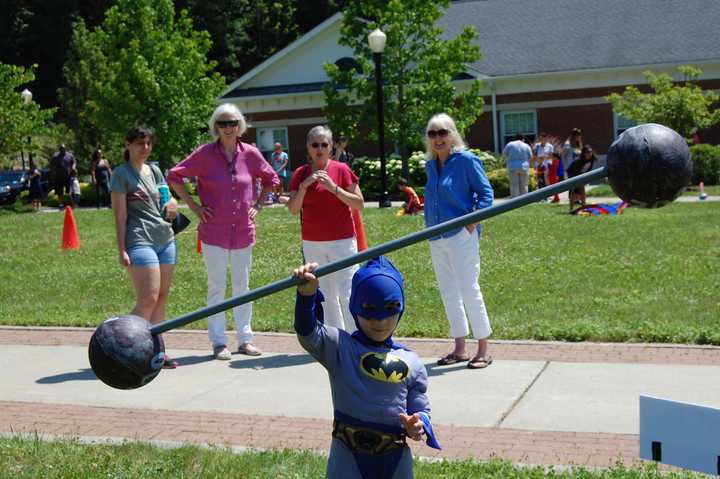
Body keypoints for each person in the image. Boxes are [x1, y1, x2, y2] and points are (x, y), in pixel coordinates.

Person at [293, 256, 441, 479]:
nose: (380, 322)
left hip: (394, 457)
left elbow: (420, 409)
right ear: (355, 307)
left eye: (390, 309)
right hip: (347, 454)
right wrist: (307, 296)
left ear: (401, 308)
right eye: (369, 310)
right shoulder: (340, 348)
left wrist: (418, 424)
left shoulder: (411, 362)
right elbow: (308, 332)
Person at [168, 103, 279, 361]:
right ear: (215, 127)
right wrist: (193, 205)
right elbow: (174, 175)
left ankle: (245, 339)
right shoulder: (205, 154)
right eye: (223, 123)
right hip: (213, 231)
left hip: (243, 230)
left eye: (232, 123)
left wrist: (259, 205)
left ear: (239, 126)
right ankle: (219, 342)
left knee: (243, 285)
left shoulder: (250, 154)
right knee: (217, 286)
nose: (228, 128)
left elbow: (272, 179)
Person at [424, 113, 494, 370]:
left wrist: (471, 222)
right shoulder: (431, 165)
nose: (438, 138)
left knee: (468, 288)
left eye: (443, 132)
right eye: (432, 134)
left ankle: (483, 348)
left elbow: (486, 193)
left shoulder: (466, 161)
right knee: (448, 291)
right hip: (436, 236)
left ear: (453, 134)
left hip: (460, 236)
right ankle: (460, 348)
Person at [110, 125, 179, 369]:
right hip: (139, 241)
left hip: (166, 240)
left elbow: (166, 197)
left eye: (148, 143)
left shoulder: (155, 170)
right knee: (147, 298)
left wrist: (172, 203)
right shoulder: (121, 174)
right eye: (140, 143)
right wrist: (122, 249)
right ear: (127, 144)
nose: (145, 148)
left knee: (161, 298)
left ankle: (157, 350)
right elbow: (119, 215)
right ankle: (120, 347)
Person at [287, 125, 364, 332]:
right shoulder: (300, 173)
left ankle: (356, 337)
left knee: (348, 291)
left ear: (331, 147)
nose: (319, 148)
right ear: (308, 148)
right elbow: (294, 209)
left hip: (343, 241)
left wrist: (334, 188)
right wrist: (304, 186)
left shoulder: (342, 170)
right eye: (315, 144)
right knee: (326, 295)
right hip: (313, 243)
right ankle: (335, 339)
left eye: (324, 144)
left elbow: (359, 203)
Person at [567, 145, 597, 211]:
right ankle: (571, 209)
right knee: (573, 191)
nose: (589, 154)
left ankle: (583, 207)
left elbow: (588, 170)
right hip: (572, 175)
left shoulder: (591, 160)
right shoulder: (579, 161)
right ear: (584, 153)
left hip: (581, 176)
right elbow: (573, 171)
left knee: (582, 191)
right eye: (587, 152)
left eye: (590, 152)